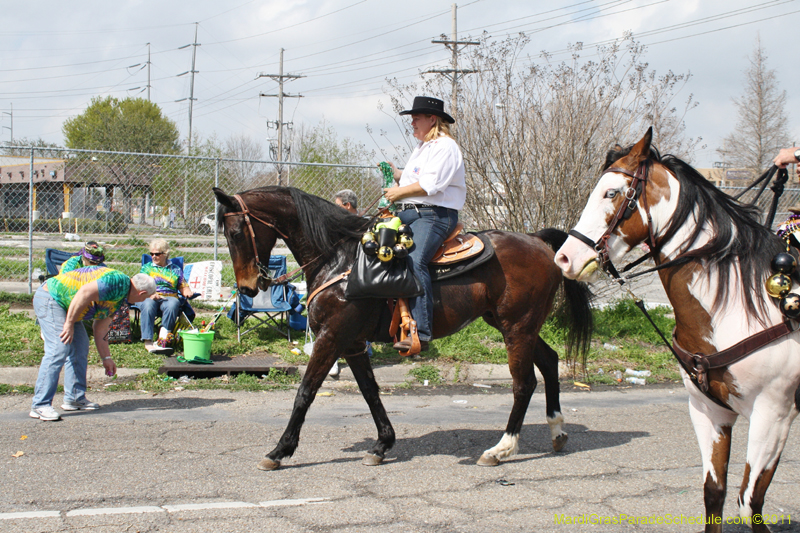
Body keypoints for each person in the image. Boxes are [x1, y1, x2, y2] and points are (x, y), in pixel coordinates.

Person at [382, 96, 466, 353]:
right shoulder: (423, 147)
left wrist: (398, 193)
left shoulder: (445, 147)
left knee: (413, 260)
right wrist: (398, 175)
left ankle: (422, 332)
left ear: (432, 119)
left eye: (416, 118)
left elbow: (431, 186)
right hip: (411, 214)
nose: (412, 123)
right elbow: (416, 178)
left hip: (434, 215)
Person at [30, 268, 155, 421]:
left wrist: (106, 357)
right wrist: (68, 324)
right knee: (59, 348)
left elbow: (100, 327)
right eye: (146, 298)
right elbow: (84, 292)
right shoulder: (117, 282)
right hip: (52, 298)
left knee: (80, 347)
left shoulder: (121, 299)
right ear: (142, 294)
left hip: (68, 306)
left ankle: (74, 397)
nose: (143, 301)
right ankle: (40, 404)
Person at [139, 238, 194, 355]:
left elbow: (182, 285)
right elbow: (141, 285)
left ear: (165, 254)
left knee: (173, 303)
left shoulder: (175, 269)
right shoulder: (147, 268)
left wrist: (187, 291)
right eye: (152, 254)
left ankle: (163, 339)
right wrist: (151, 294)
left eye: (157, 254)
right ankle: (148, 342)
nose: (153, 256)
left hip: (169, 296)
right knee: (148, 305)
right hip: (150, 295)